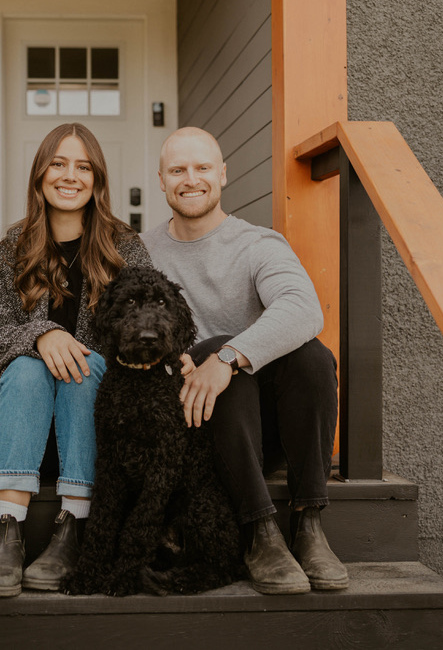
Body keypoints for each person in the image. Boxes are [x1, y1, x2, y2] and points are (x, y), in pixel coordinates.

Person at [0, 123, 150, 598]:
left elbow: (139, 332)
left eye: (83, 167)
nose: (70, 175)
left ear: (97, 180)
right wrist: (42, 335)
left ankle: (69, 529)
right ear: (40, 174)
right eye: (58, 163)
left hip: (91, 422)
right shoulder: (10, 252)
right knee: (23, 365)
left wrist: (73, 348)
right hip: (23, 428)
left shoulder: (126, 250)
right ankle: (8, 531)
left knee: (80, 368)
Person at [140, 126, 347, 595]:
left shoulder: (257, 244)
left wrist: (229, 357)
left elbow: (303, 309)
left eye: (202, 168)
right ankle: (261, 532)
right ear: (161, 180)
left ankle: (309, 522)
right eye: (178, 170)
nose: (190, 179)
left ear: (223, 174)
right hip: (196, 427)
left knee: (313, 358)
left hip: (263, 430)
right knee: (214, 351)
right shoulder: (141, 252)